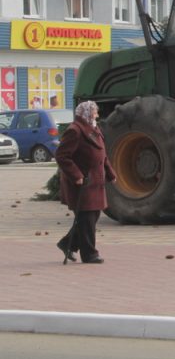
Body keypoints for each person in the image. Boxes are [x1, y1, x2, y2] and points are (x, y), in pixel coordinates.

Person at [55, 101, 117, 264]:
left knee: (91, 216)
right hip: (82, 183)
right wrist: (76, 175)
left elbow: (102, 155)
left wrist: (110, 173)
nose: (97, 115)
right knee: (87, 218)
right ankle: (90, 254)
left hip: (95, 181)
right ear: (87, 113)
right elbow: (62, 156)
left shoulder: (94, 128)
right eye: (95, 112)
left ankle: (67, 243)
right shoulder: (75, 131)